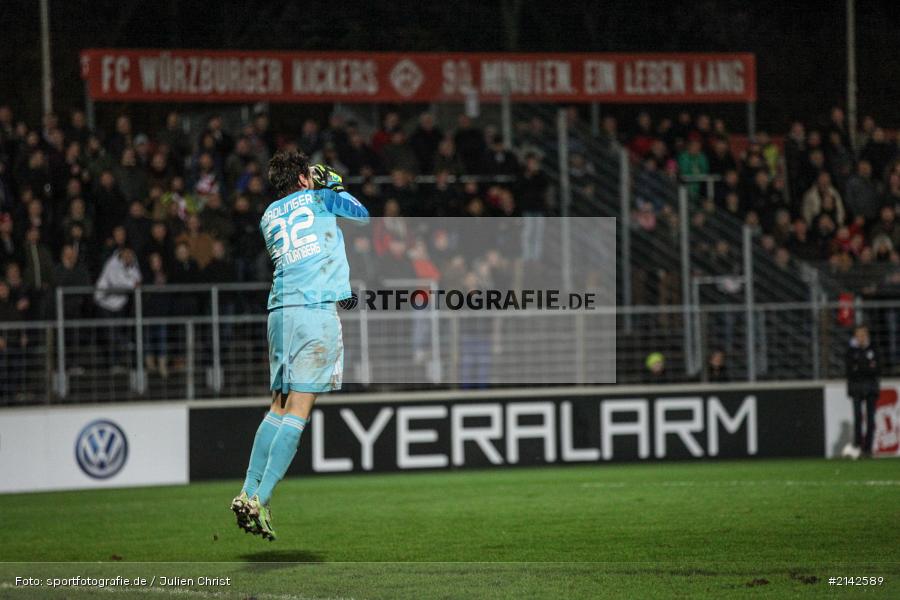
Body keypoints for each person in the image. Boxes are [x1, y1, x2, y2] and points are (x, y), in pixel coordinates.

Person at [231, 151, 368, 540]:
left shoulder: (268, 216)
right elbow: (361, 213)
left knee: (278, 405)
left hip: (279, 313)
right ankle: (262, 499)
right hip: (314, 312)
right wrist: (333, 184)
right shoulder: (321, 196)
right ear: (306, 177)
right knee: (300, 411)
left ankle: (247, 491)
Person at [845, 325, 880, 458]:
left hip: (871, 388)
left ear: (867, 335)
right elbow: (849, 370)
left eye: (863, 334)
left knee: (870, 419)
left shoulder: (873, 349)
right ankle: (858, 447)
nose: (861, 337)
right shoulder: (851, 350)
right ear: (855, 336)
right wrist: (867, 365)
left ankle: (868, 448)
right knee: (858, 418)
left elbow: (877, 369)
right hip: (856, 388)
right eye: (858, 335)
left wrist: (859, 366)